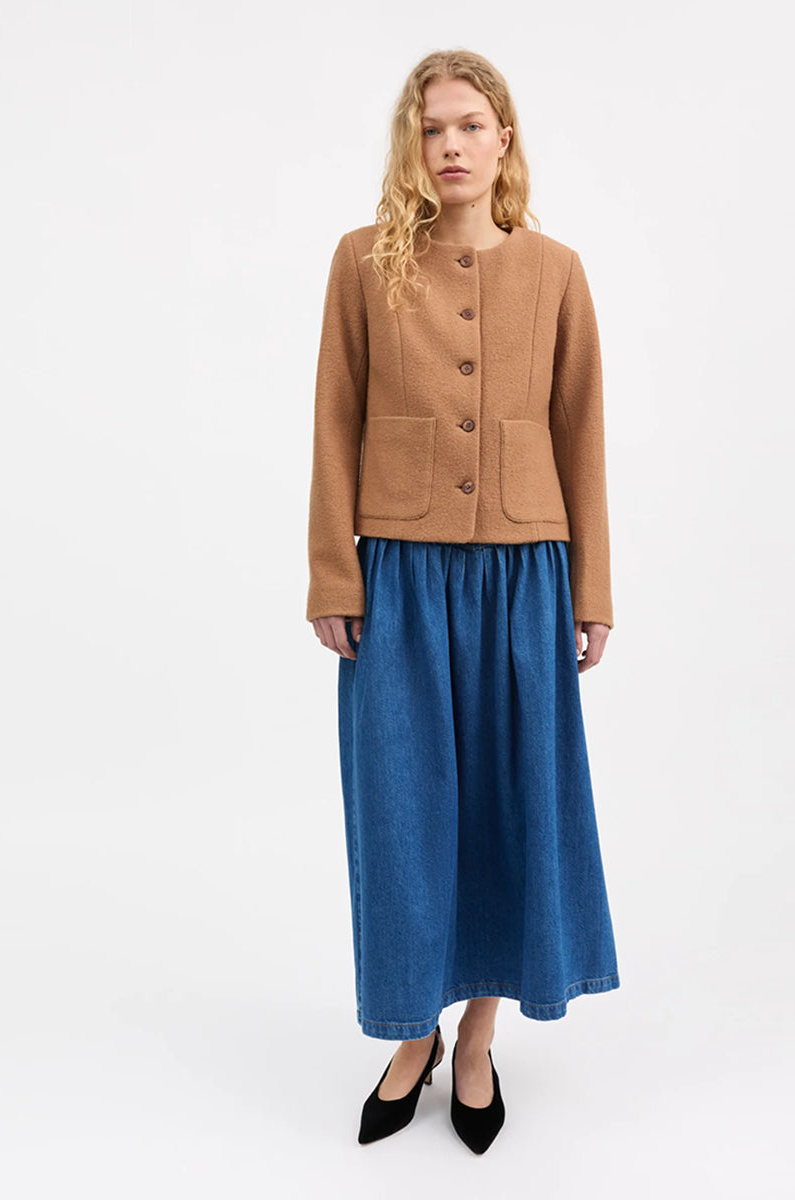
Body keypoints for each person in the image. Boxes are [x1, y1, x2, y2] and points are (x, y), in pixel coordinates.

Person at [305, 48, 620, 1154]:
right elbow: (333, 418)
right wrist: (333, 572)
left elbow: (581, 432)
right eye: (432, 127)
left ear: (504, 141)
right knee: (401, 811)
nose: (450, 145)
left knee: (509, 805)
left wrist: (592, 590)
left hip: (525, 573)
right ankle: (412, 1032)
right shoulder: (362, 262)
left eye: (470, 125)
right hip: (398, 571)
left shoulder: (557, 271)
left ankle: (477, 1037)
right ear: (413, 143)